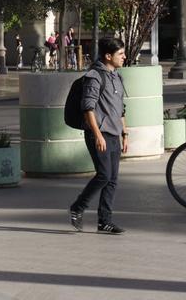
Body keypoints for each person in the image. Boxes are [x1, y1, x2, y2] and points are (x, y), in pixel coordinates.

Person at [69, 38, 129, 234]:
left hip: (113, 134)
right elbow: (88, 107)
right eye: (121, 54)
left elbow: (120, 109)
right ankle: (78, 207)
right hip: (99, 134)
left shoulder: (117, 77)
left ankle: (105, 221)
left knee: (112, 179)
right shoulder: (94, 76)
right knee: (103, 175)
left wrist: (124, 133)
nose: (124, 57)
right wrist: (97, 135)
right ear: (108, 56)